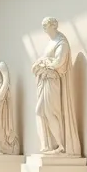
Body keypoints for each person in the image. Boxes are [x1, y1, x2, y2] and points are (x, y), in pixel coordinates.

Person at [32, 17, 80, 156]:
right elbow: (49, 61)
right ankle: (49, 144)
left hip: (52, 80)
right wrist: (41, 64)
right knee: (40, 111)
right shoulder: (51, 42)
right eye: (42, 25)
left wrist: (42, 63)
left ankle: (61, 145)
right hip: (45, 79)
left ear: (54, 25)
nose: (43, 27)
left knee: (51, 112)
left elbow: (58, 63)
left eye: (46, 25)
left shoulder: (61, 42)